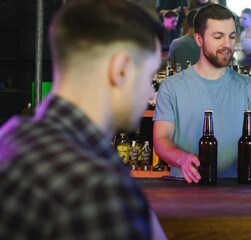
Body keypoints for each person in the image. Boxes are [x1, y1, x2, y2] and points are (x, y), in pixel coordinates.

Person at [0, 0, 167, 239]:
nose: (151, 93)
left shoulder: (13, 134)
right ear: (121, 69)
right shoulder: (97, 188)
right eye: (149, 76)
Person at [153, 4, 251, 184]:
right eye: (218, 37)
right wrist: (182, 158)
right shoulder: (172, 87)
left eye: (232, 36)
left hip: (238, 187)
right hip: (186, 186)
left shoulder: (247, 86)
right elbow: (161, 140)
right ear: (199, 40)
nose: (227, 44)